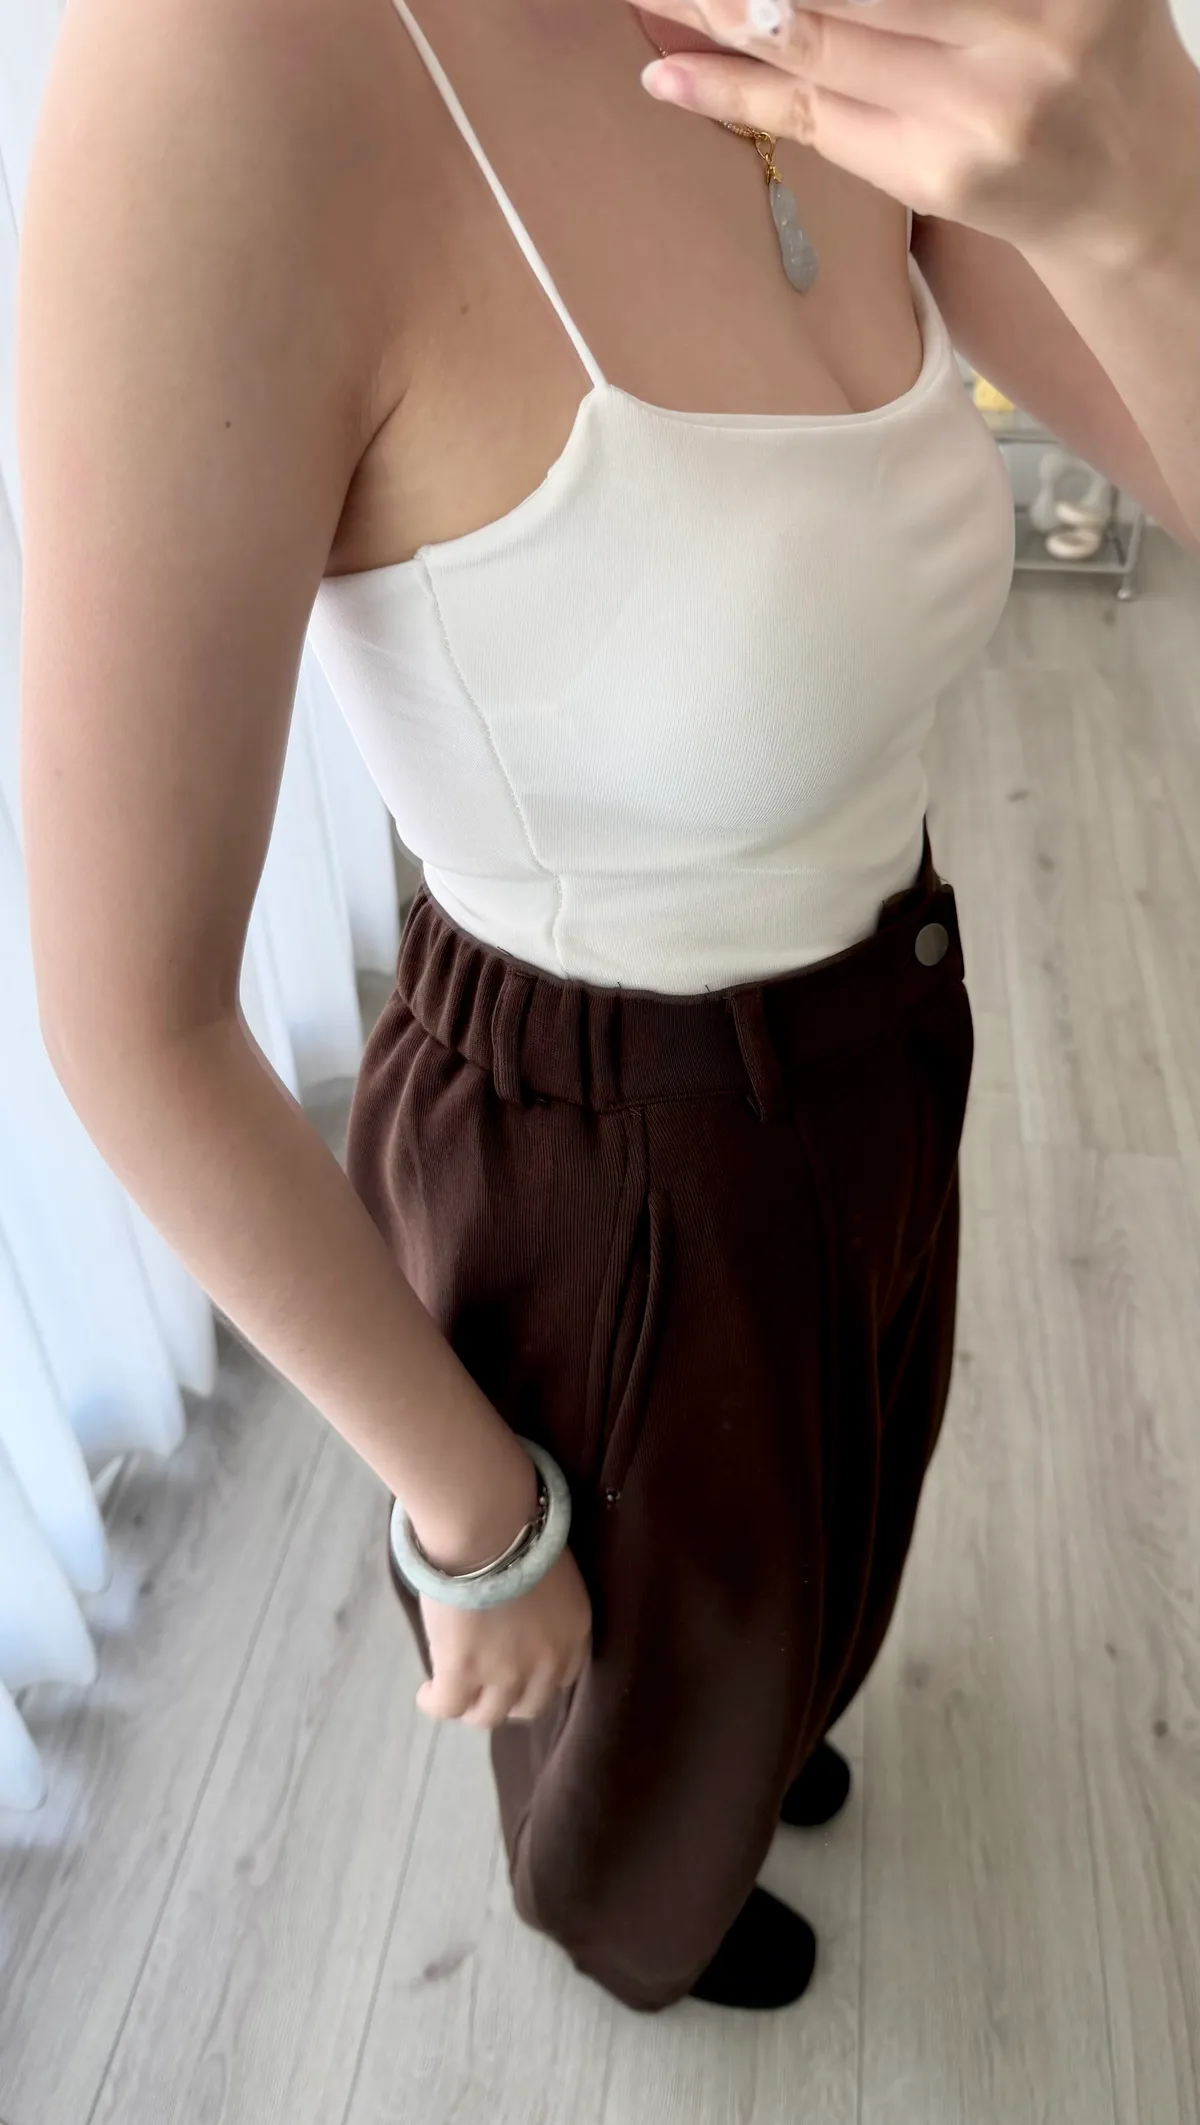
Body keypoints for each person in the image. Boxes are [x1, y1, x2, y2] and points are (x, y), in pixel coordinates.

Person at [17, 0, 1200, 2019]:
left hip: (889, 1024)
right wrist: (474, 1523)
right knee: (632, 1705)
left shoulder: (857, 22)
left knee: (825, 1541)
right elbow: (134, 1024)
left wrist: (1154, 198)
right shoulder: (226, 78)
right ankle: (650, 1911)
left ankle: (763, 1712)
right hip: (607, 1155)